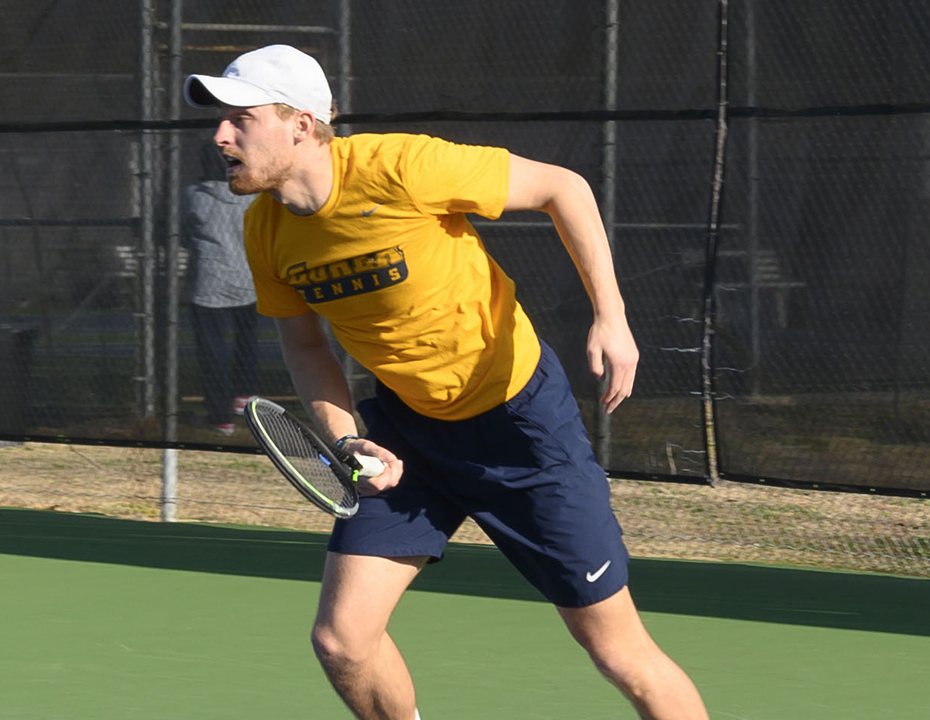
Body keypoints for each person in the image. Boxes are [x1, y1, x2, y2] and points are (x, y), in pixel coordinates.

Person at [185, 45, 708, 720]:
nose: (220, 136)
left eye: (241, 119)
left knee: (619, 654)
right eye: (219, 120)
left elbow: (563, 188)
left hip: (521, 428)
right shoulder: (265, 229)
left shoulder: (401, 167)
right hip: (411, 437)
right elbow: (304, 340)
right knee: (343, 641)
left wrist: (612, 317)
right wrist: (350, 444)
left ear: (301, 124)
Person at [182, 141, 262, 434]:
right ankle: (245, 394)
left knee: (212, 350)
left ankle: (221, 417)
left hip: (209, 282)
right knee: (247, 338)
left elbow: (183, 234)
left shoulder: (193, 197)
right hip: (247, 279)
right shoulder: (250, 194)